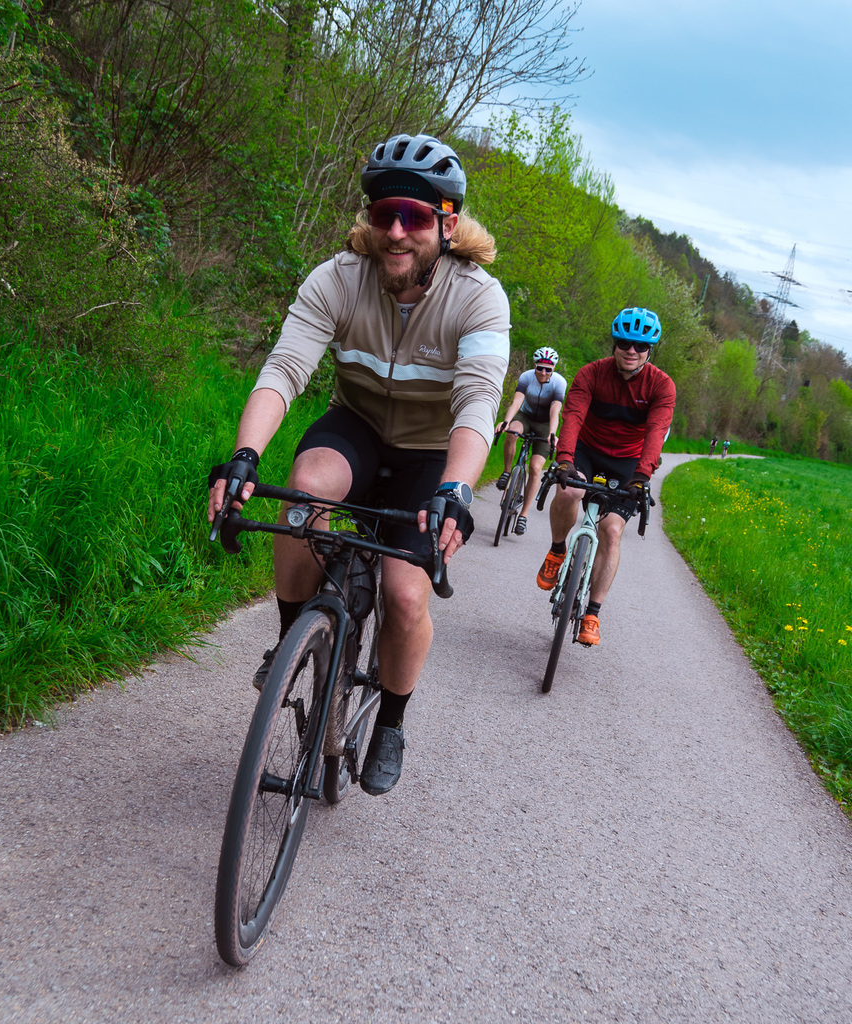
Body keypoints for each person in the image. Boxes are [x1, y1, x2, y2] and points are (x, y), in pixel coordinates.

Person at [207, 133, 510, 795]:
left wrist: (457, 490)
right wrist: (244, 457)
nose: (396, 231)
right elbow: (284, 370)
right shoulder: (338, 277)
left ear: (448, 223)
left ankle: (391, 721)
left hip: (431, 453)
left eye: (416, 216)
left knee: (404, 594)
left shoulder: (478, 297)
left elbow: (478, 402)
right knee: (303, 492)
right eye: (383, 214)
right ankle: (292, 643)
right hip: (359, 429)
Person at [535, 307, 676, 647]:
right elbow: (573, 416)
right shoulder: (592, 374)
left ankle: (593, 613)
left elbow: (657, 432)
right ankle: (557, 550)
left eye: (640, 346)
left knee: (611, 531)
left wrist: (642, 475)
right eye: (625, 343)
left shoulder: (661, 385)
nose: (632, 351)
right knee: (569, 492)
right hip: (588, 449)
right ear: (614, 344)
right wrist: (565, 459)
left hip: (629, 462)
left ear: (650, 350)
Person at [494, 347, 566, 535]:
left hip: (545, 424)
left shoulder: (559, 383)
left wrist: (552, 433)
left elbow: (555, 411)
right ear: (535, 366)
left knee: (535, 468)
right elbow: (517, 402)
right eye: (540, 368)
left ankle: (523, 515)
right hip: (525, 416)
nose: (543, 372)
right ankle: (507, 472)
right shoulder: (526, 377)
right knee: (512, 432)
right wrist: (506, 422)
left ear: (553, 368)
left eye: (548, 369)